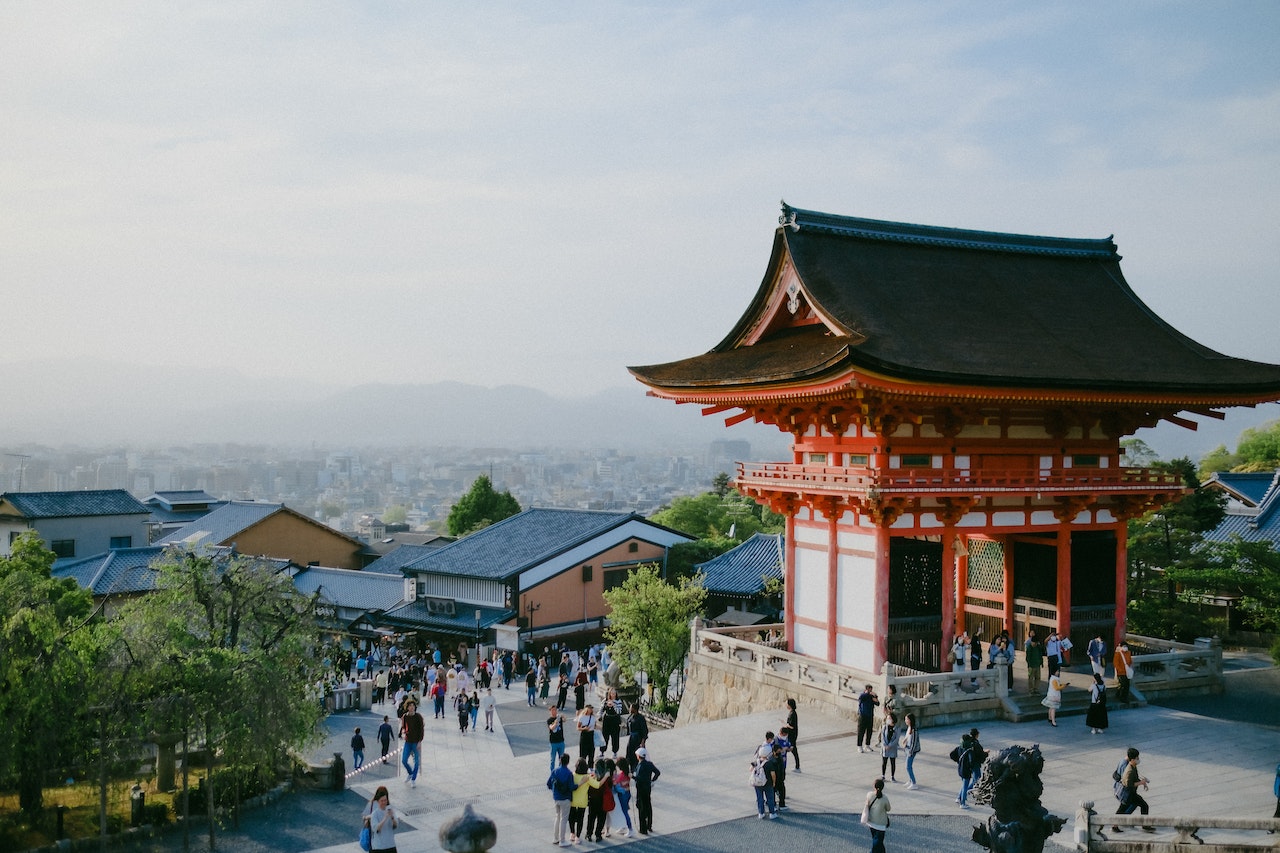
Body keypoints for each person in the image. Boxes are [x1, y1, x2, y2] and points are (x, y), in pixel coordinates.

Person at [1112, 747, 1154, 833]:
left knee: (1141, 805)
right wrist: (1141, 783)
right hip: (1127, 794)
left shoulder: (1132, 766)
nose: (1138, 759)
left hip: (1129, 793)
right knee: (1123, 810)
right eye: (1137, 758)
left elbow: (1133, 779)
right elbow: (1128, 784)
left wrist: (1143, 782)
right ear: (1132, 759)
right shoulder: (1128, 769)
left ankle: (1116, 825)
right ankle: (1115, 825)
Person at [547, 753, 577, 847]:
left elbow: (548, 784)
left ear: (560, 760)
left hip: (556, 798)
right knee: (564, 819)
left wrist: (555, 790)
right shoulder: (569, 773)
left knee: (557, 817)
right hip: (566, 798)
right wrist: (578, 784)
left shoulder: (555, 771)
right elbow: (571, 787)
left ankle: (555, 838)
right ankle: (562, 840)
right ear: (568, 762)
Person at [633, 746, 660, 835]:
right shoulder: (649, 764)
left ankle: (643, 828)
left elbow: (639, 778)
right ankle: (649, 825)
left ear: (638, 756)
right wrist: (652, 780)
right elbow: (657, 772)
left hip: (641, 789)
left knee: (642, 808)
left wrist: (632, 776)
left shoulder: (640, 766)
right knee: (648, 805)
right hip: (647, 788)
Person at [365, 786, 399, 853]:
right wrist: (385, 818)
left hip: (390, 845)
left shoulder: (390, 810)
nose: (384, 802)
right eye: (382, 801)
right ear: (378, 801)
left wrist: (392, 817)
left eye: (385, 800)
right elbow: (376, 829)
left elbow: (395, 826)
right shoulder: (375, 812)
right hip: (378, 846)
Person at [399, 700, 424, 788]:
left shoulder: (418, 717)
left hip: (416, 742)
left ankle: (413, 779)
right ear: (407, 707)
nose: (412, 707)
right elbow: (403, 726)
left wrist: (420, 741)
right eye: (410, 706)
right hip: (408, 741)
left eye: (413, 706)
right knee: (404, 760)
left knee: (416, 762)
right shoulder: (405, 716)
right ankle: (410, 773)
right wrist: (404, 731)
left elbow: (421, 730)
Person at [862, 776, 891, 853]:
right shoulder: (884, 798)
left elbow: (867, 804)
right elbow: (888, 809)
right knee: (878, 842)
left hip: (871, 822)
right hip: (881, 824)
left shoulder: (869, 795)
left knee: (876, 839)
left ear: (874, 786)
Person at [751, 746, 778, 819]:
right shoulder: (769, 763)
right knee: (770, 798)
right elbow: (773, 774)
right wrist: (774, 782)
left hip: (757, 783)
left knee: (760, 798)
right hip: (768, 783)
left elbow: (751, 769)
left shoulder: (756, 761)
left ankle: (761, 813)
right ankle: (772, 813)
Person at [568, 757, 590, 844]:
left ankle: (572, 833)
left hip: (572, 800)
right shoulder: (587, 777)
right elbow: (597, 785)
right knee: (580, 819)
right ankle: (578, 836)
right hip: (582, 801)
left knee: (571, 818)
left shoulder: (572, 775)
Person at [613, 757, 634, 838]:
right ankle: (623, 825)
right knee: (623, 811)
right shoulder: (627, 773)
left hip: (623, 795)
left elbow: (616, 783)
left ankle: (630, 828)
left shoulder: (620, 776)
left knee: (624, 812)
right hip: (627, 793)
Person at [953, 732, 975, 809]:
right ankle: (962, 803)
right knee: (965, 786)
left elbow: (952, 754)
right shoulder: (969, 751)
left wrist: (958, 762)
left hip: (960, 769)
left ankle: (958, 798)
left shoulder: (959, 748)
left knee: (963, 785)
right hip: (966, 771)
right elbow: (971, 761)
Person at [901, 713, 921, 789]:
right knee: (908, 766)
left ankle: (914, 783)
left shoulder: (914, 729)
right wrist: (904, 740)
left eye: (907, 719)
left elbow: (914, 742)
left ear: (910, 720)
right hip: (907, 748)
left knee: (908, 766)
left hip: (911, 750)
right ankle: (910, 780)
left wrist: (911, 752)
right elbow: (907, 736)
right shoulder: (909, 727)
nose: (905, 721)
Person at [857, 684, 879, 753]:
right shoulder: (863, 695)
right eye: (869, 689)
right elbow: (860, 698)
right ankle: (859, 746)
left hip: (870, 716)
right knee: (861, 732)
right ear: (866, 689)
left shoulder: (871, 696)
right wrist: (868, 694)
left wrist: (875, 697)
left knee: (869, 731)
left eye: (871, 689)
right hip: (863, 716)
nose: (870, 690)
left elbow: (878, 703)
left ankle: (867, 745)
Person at [601, 688, 623, 759]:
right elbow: (601, 710)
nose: (613, 695)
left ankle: (615, 752)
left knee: (615, 737)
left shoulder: (618, 701)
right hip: (607, 720)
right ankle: (602, 751)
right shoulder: (605, 700)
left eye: (614, 693)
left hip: (615, 720)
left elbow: (619, 712)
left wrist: (614, 705)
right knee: (605, 736)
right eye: (612, 693)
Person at [880, 713, 899, 782]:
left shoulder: (897, 728)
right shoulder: (885, 727)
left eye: (889, 718)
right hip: (885, 748)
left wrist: (890, 745)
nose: (888, 720)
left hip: (892, 748)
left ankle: (892, 776)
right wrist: (884, 745)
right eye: (887, 718)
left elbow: (896, 739)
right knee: (884, 762)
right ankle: (883, 775)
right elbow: (882, 737)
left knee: (892, 762)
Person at [784, 697, 802, 772]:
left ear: (790, 705)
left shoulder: (792, 714)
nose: (786, 705)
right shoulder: (792, 712)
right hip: (792, 734)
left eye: (786, 703)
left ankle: (797, 767)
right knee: (791, 750)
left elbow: (792, 726)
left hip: (792, 735)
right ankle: (797, 766)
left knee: (793, 750)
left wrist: (786, 724)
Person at [547, 706, 566, 772]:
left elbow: (564, 720)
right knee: (553, 759)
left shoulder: (559, 718)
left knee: (561, 758)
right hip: (553, 742)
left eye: (555, 710)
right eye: (552, 710)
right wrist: (555, 722)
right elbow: (551, 728)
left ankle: (561, 771)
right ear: (550, 711)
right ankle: (552, 772)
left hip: (561, 741)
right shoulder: (549, 720)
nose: (554, 711)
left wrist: (563, 716)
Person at [1025, 630, 1044, 694]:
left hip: (1037, 664)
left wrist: (1041, 662)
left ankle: (1036, 689)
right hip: (1031, 665)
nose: (1034, 644)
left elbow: (1040, 655)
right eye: (1034, 643)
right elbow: (1028, 657)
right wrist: (1029, 665)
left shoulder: (1038, 647)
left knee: (1038, 678)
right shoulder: (1029, 647)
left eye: (1035, 643)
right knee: (1031, 678)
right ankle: (1031, 689)